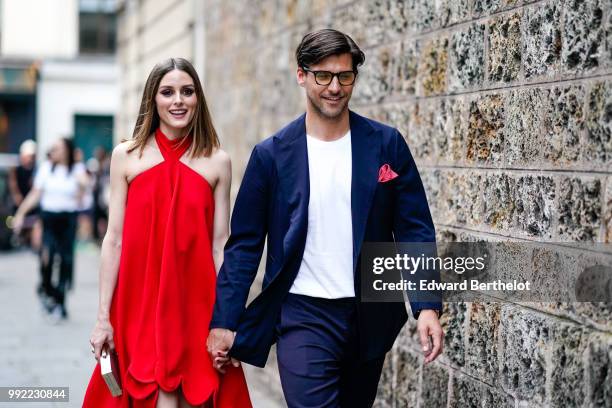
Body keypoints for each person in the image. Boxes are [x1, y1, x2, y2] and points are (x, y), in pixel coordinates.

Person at [207, 29, 444, 407]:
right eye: (323, 76)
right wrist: (224, 320)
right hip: (302, 315)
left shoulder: (386, 144)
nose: (335, 87)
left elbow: (414, 226)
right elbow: (245, 246)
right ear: (302, 75)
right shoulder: (271, 156)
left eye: (344, 76)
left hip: (367, 314)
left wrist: (426, 304)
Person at [82, 58, 251, 408]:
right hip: (138, 303)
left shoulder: (217, 161)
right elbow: (113, 239)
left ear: (198, 99)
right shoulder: (126, 157)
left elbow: (221, 245)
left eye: (187, 92)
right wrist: (103, 319)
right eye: (168, 92)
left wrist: (229, 320)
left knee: (193, 397)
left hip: (195, 304)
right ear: (153, 99)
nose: (178, 100)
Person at [12, 137, 89, 320]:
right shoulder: (46, 168)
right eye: (52, 148)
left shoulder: (75, 169)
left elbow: (86, 186)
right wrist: (20, 214)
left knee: (65, 260)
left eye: (58, 148)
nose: (53, 152)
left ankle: (60, 303)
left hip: (68, 219)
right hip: (49, 218)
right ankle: (45, 289)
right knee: (46, 256)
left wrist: (80, 172)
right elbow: (35, 194)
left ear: (66, 151)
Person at [8, 139, 41, 249]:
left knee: (34, 223)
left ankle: (32, 242)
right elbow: (13, 185)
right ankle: (16, 238)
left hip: (31, 204)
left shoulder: (36, 170)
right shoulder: (16, 169)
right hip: (20, 204)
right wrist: (18, 198)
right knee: (16, 222)